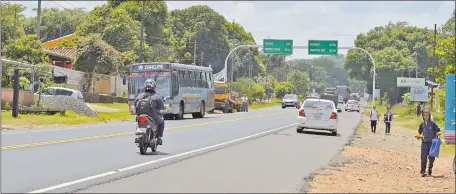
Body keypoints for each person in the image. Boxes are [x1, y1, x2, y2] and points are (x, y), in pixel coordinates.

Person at [134, 79, 165, 145]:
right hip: (153, 118)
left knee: (138, 122)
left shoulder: (139, 96)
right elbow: (162, 107)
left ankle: (138, 135)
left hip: (140, 116)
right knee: (162, 122)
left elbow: (135, 104)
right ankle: (159, 137)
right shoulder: (157, 97)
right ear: (154, 87)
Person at [416, 109, 441, 177]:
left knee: (431, 157)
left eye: (427, 115)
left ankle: (430, 168)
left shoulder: (433, 123)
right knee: (423, 157)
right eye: (424, 115)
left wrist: (438, 133)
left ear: (429, 115)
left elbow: (438, 130)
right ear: (423, 116)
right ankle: (423, 170)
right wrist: (418, 136)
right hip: (424, 142)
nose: (426, 116)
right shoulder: (422, 124)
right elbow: (419, 132)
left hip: (432, 143)